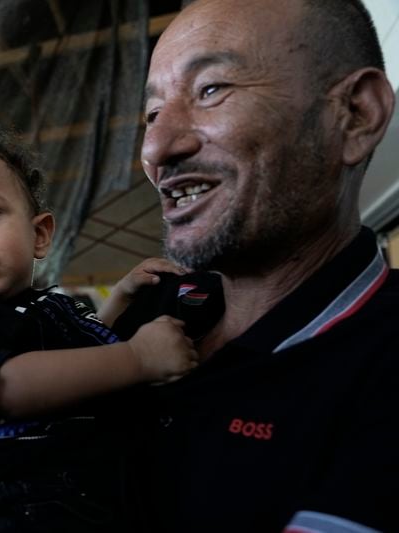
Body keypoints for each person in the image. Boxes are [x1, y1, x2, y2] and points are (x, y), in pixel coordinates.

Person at [131, 0, 398, 531]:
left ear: (354, 116)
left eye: (211, 89)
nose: (158, 148)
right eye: (153, 113)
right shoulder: (150, 308)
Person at [0, 122, 223, 532]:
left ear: (39, 234)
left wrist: (119, 300)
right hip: (20, 513)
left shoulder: (47, 305)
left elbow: (69, 364)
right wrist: (136, 357)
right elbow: (8, 386)